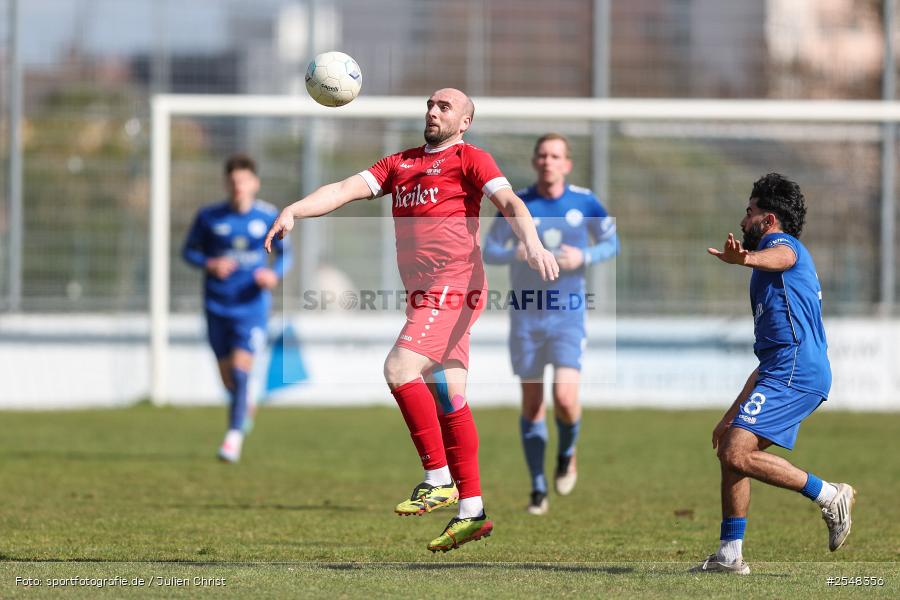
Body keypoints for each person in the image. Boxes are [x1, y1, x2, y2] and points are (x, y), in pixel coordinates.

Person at [265, 88, 559, 552]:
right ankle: (472, 511)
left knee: (399, 369)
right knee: (450, 397)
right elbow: (342, 190)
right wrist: (294, 209)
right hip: (426, 293)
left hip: (454, 283)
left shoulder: (471, 158)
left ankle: (438, 478)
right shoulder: (399, 164)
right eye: (430, 104)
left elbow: (511, 204)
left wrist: (534, 243)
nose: (433, 111)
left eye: (445, 107)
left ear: (464, 121)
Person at [694, 173, 854, 575]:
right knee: (733, 454)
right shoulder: (764, 274)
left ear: (769, 219)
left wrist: (745, 257)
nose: (744, 219)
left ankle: (829, 494)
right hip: (783, 367)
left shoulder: (779, 245)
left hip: (797, 368)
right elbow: (767, 360)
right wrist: (731, 413)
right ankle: (730, 556)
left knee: (736, 451)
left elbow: (785, 255)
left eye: (750, 212)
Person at [483, 133, 618, 515]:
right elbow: (490, 249)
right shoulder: (518, 203)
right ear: (534, 161)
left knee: (564, 398)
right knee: (531, 404)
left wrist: (585, 257)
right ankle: (538, 488)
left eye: (555, 155)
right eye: (542, 155)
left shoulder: (584, 201)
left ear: (567, 164)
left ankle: (567, 451)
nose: (548, 161)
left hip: (567, 316)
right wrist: (517, 250)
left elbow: (612, 243)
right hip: (526, 317)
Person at [182, 154, 292, 463]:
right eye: (233, 181)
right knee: (229, 379)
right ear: (226, 183)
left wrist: (274, 274)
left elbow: (286, 256)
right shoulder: (209, 217)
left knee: (241, 373)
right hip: (217, 305)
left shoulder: (268, 216)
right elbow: (188, 252)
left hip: (251, 308)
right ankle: (245, 400)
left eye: (243, 180)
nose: (238, 186)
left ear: (254, 183)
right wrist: (210, 263)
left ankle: (232, 438)